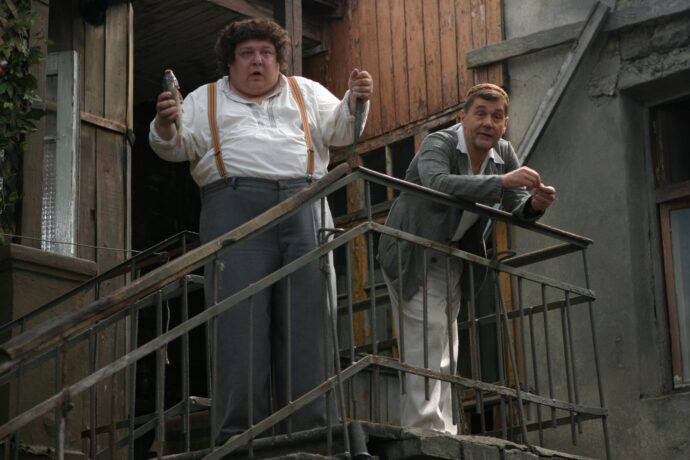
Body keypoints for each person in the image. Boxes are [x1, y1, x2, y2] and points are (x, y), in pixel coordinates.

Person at [148, 18, 373, 443]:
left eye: (266, 53)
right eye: (247, 54)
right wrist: (164, 122)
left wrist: (356, 98)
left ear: (278, 60)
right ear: (230, 63)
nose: (258, 61)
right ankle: (239, 437)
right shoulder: (204, 98)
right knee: (238, 320)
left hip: (305, 203)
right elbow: (174, 146)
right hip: (234, 208)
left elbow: (344, 129)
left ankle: (311, 431)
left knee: (310, 318)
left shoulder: (305, 91)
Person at [377, 83, 555, 434]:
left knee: (447, 342)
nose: (488, 123)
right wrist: (501, 182)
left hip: (452, 256)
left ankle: (444, 427)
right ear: (463, 117)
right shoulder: (439, 143)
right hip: (413, 250)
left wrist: (535, 205)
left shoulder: (503, 152)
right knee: (425, 336)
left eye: (497, 117)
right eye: (480, 114)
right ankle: (423, 427)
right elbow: (438, 184)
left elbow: (515, 206)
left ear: (504, 124)